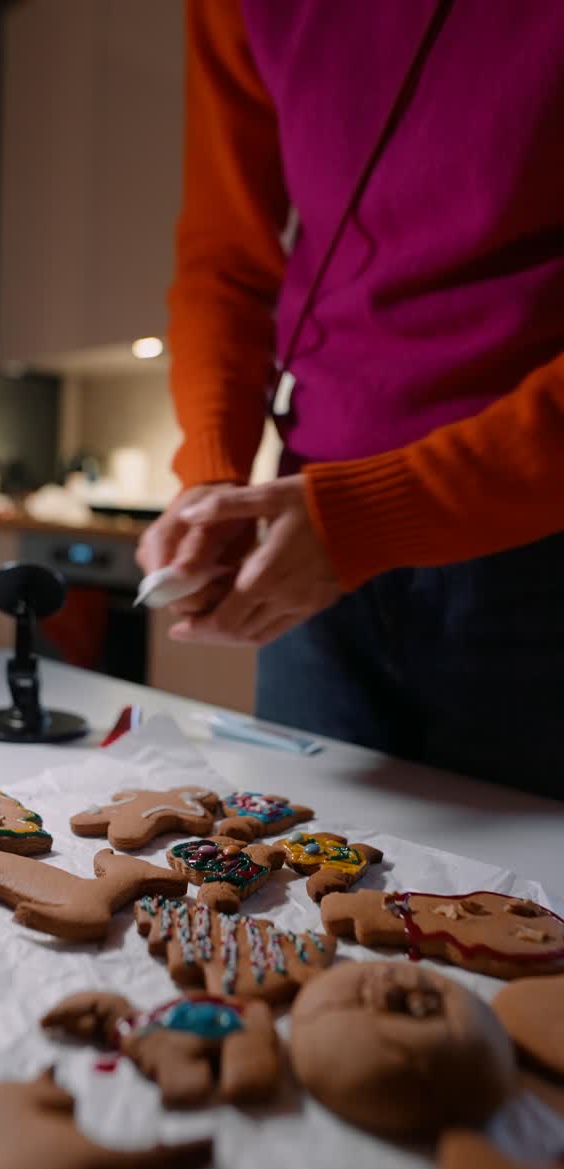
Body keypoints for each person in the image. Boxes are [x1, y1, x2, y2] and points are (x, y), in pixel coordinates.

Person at [137, 0, 564, 801]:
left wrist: (366, 517)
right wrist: (212, 471)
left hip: (540, 542)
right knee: (297, 895)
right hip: (311, 539)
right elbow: (224, 260)